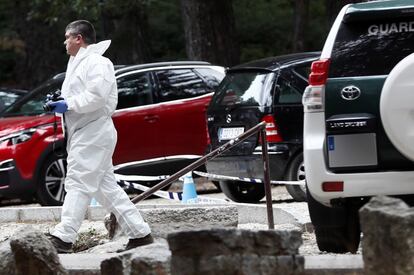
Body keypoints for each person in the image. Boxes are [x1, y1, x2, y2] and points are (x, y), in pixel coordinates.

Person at [47, 20, 152, 253]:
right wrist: (60, 101)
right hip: (87, 132)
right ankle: (140, 233)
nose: (64, 42)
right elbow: (81, 95)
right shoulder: (78, 63)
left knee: (77, 181)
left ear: (78, 38)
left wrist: (68, 104)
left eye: (67, 37)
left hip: (94, 131)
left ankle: (64, 237)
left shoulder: (97, 62)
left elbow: (97, 96)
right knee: (107, 189)